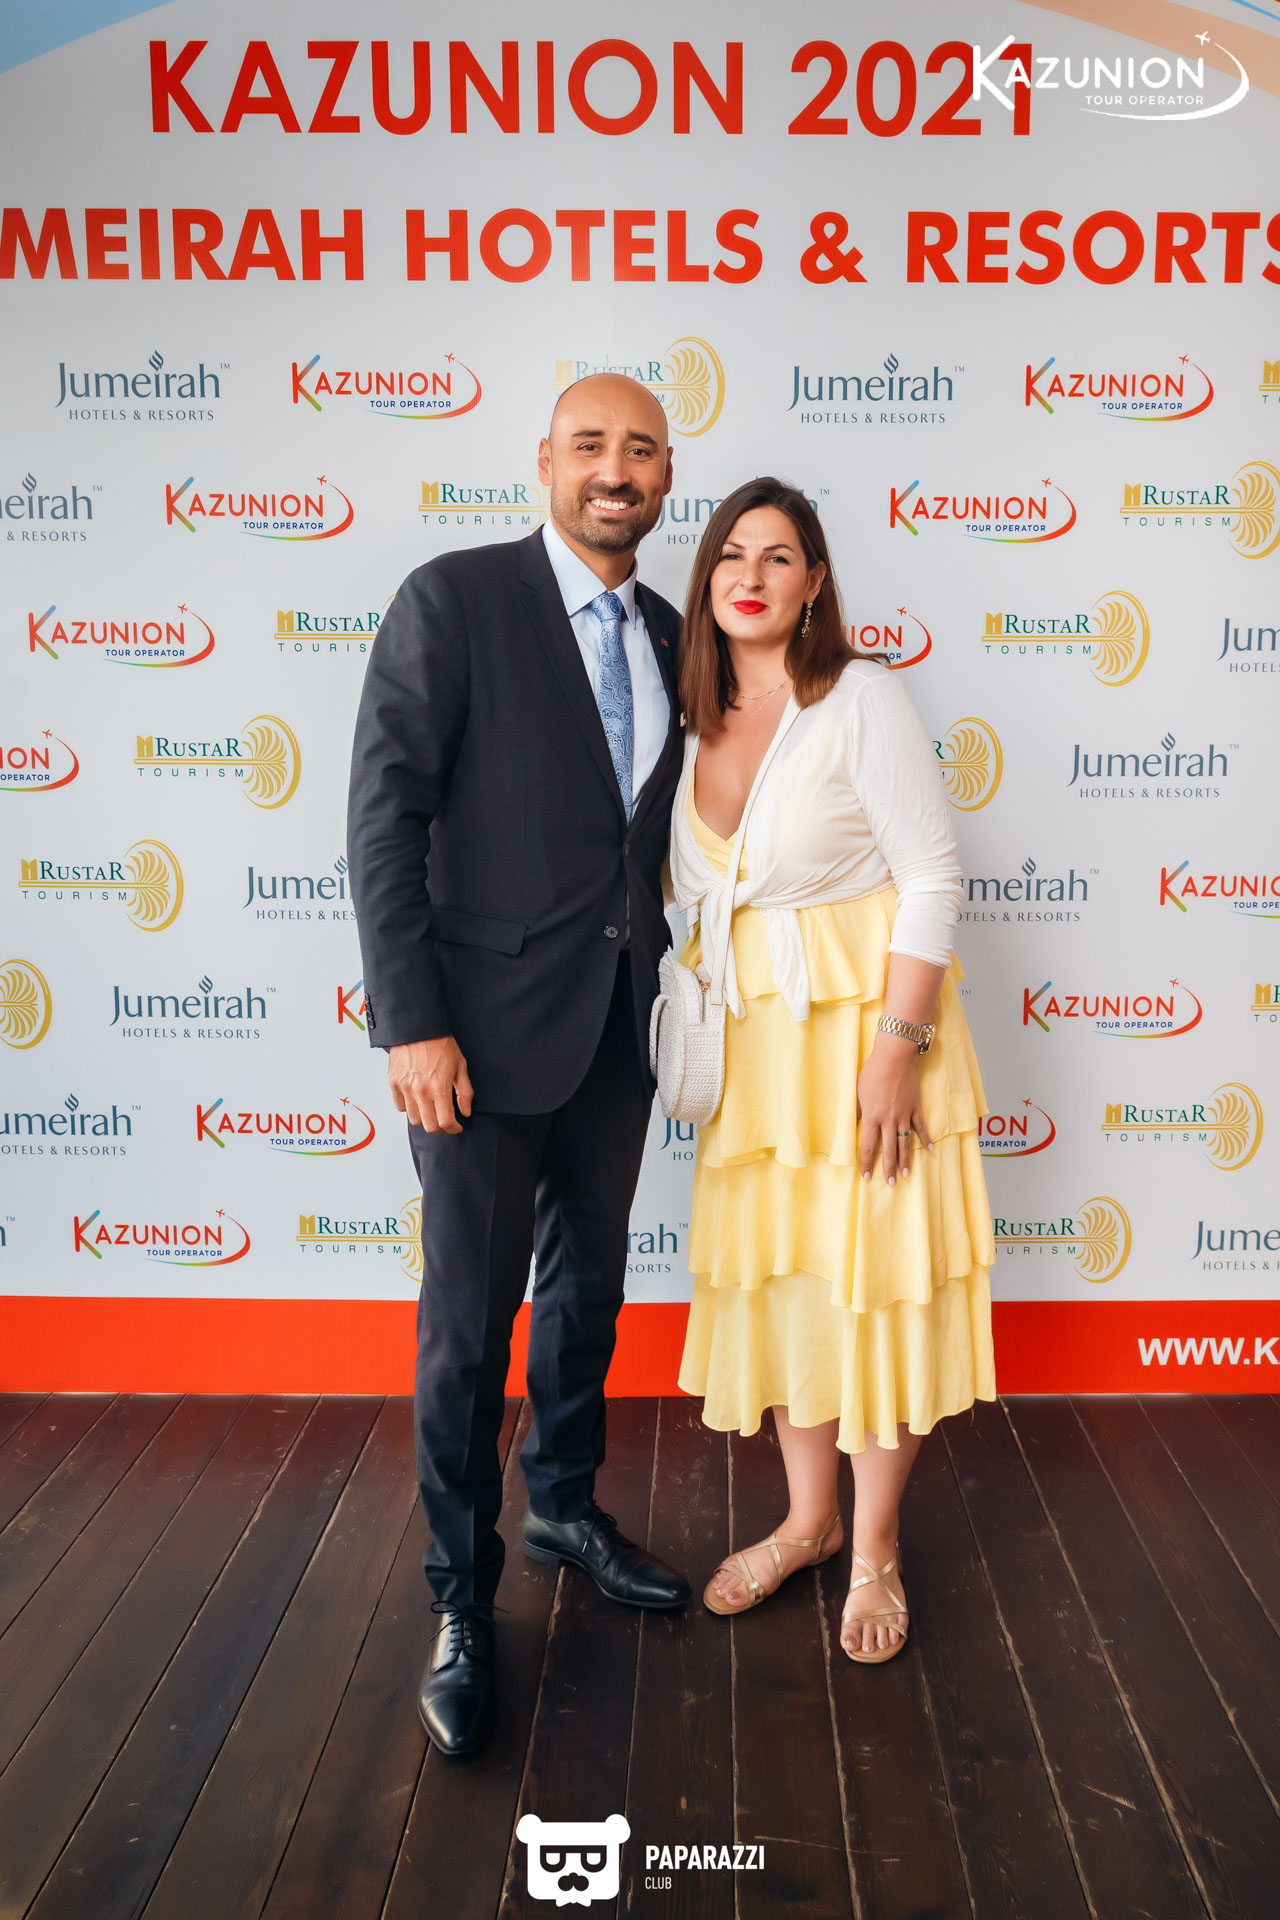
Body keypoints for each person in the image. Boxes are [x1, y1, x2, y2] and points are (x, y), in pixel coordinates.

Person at [347, 374, 692, 1761]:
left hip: (617, 1026)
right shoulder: (456, 598)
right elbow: (383, 817)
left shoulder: (670, 633)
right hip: (474, 1040)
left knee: (588, 1286)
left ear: (665, 479)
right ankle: (459, 1592)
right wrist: (409, 1022)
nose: (617, 469)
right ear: (545, 460)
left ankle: (562, 1503)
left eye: (643, 450)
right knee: (467, 1325)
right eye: (592, 444)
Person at [667, 477, 996, 1662]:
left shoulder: (858, 697)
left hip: (865, 1039)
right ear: (706, 580)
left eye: (778, 555)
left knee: (877, 1285)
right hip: (757, 1060)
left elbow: (931, 874)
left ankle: (874, 1548)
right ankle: (807, 1524)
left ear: (813, 583)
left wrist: (895, 1054)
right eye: (729, 554)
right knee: (790, 1288)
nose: (749, 573)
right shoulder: (685, 714)